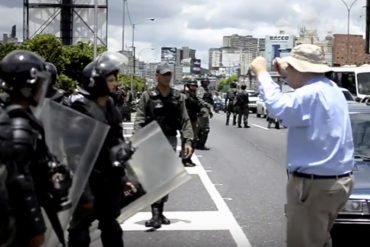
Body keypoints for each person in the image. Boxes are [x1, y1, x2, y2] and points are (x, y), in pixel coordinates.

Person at [251, 44, 354, 247]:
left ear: (301, 69)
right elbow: (300, 89)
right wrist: (286, 72)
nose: (286, 72)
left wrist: (262, 72)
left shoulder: (310, 94)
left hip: (314, 186)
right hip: (337, 183)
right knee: (320, 239)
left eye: (291, 68)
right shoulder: (332, 89)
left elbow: (278, 107)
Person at [0, 50, 72, 247]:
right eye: (40, 82)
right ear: (27, 85)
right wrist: (36, 227)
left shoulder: (22, 116)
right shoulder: (18, 126)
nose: (43, 89)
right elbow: (20, 182)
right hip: (17, 221)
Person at [67, 52, 135, 247]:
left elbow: (116, 141)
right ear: (96, 82)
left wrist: (125, 177)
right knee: (79, 229)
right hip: (87, 178)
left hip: (109, 178)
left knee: (111, 226)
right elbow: (75, 153)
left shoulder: (110, 104)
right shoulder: (79, 105)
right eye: (111, 80)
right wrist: (83, 192)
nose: (115, 84)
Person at [134, 61, 193, 229]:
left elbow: (185, 119)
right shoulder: (148, 95)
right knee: (154, 177)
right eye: (164, 74)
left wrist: (188, 140)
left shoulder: (177, 97)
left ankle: (160, 211)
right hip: (151, 139)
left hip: (169, 139)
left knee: (165, 178)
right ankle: (155, 214)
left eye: (169, 74)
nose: (167, 77)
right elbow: (139, 118)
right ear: (157, 76)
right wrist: (136, 140)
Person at [182, 79, 203, 167]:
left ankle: (188, 158)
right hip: (187, 121)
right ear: (188, 86)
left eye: (195, 86)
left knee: (194, 140)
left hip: (194, 119)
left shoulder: (195, 96)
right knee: (188, 140)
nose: (194, 87)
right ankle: (186, 159)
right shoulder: (185, 96)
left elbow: (198, 106)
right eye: (192, 86)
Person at [196, 78, 213, 150]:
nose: (207, 83)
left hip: (206, 110)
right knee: (205, 129)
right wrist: (206, 104)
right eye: (205, 81)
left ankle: (198, 143)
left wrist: (210, 111)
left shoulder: (207, 89)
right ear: (202, 82)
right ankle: (200, 144)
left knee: (201, 129)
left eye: (207, 81)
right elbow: (198, 98)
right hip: (202, 110)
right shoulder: (201, 89)